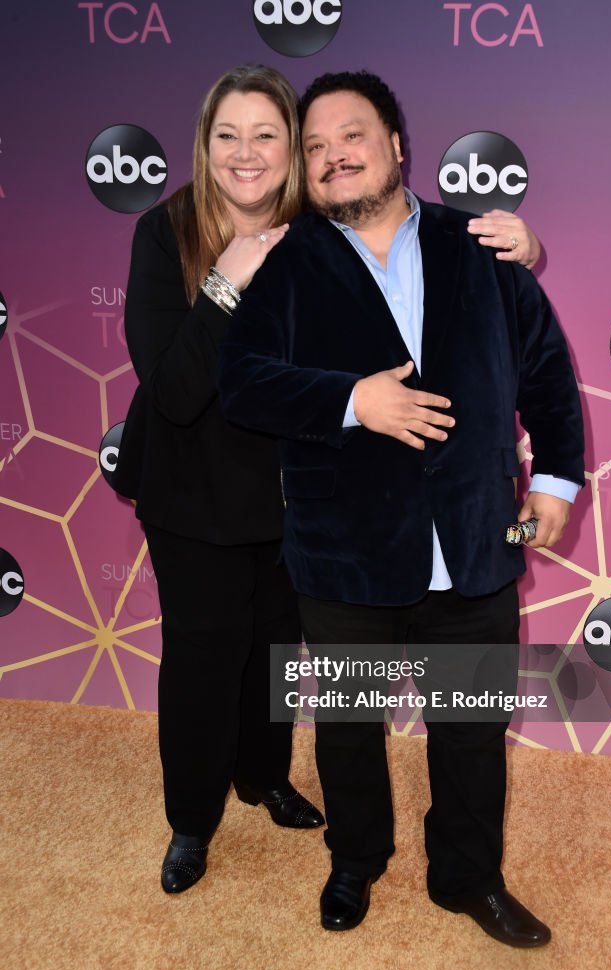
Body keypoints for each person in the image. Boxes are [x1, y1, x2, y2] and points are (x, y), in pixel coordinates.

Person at [218, 71, 584, 947]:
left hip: (470, 539)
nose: (331, 155)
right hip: (343, 549)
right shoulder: (286, 262)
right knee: (346, 725)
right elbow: (242, 383)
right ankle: (356, 859)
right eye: (312, 147)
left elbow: (546, 372)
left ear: (396, 147)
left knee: (470, 728)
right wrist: (353, 402)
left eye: (351, 135)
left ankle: (469, 878)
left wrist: (557, 481)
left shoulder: (482, 246)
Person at [111, 65, 328, 895]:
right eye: (228, 134)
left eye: (266, 134)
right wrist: (228, 278)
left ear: (291, 146)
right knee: (203, 657)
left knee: (275, 648)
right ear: (205, 145)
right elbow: (172, 387)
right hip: (191, 488)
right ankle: (191, 821)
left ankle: (263, 777)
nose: (247, 153)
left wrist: (506, 241)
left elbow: (410, 240)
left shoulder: (319, 232)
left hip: (290, 490)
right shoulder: (165, 231)